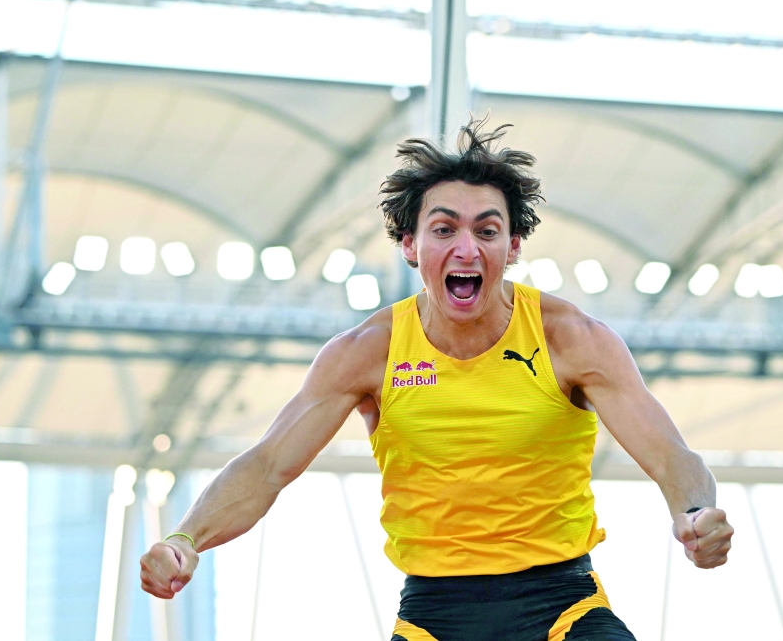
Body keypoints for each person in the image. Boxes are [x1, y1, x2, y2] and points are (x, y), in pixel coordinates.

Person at [140, 118, 734, 640]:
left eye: (487, 231)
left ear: (513, 247)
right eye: (445, 229)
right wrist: (185, 540)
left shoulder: (572, 338)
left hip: (562, 607)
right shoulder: (366, 353)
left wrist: (696, 513)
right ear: (410, 245)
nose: (466, 249)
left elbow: (669, 454)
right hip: (434, 617)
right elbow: (269, 464)